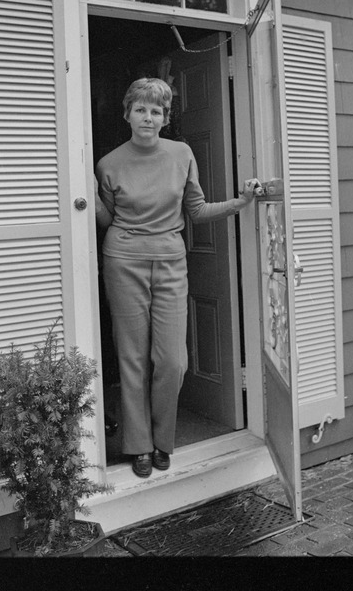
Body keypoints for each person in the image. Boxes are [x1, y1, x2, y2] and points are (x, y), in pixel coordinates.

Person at [93, 77, 260, 478]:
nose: (147, 117)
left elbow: (197, 210)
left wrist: (243, 201)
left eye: (156, 111)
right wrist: (85, 193)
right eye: (140, 109)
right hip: (123, 258)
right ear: (127, 114)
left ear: (165, 118)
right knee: (132, 356)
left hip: (170, 259)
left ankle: (162, 438)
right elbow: (106, 219)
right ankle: (139, 446)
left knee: (172, 361)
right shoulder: (108, 163)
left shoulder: (182, 154)